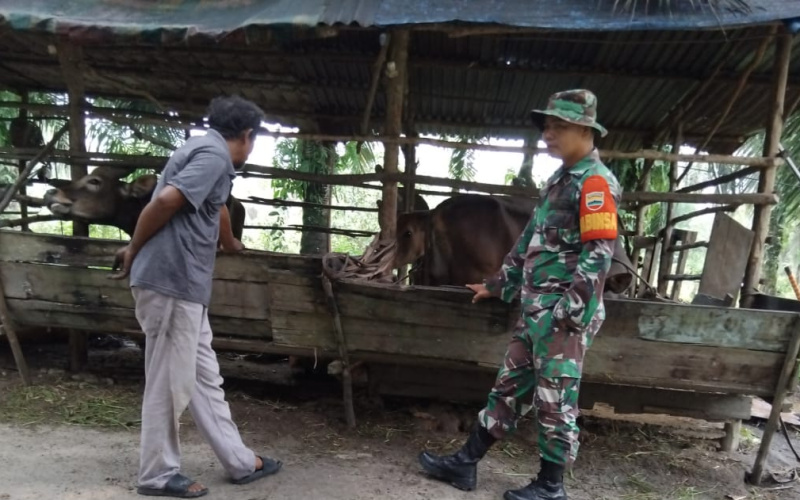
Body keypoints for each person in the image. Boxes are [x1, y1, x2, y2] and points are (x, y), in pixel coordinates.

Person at [418, 89, 621, 500]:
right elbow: (530, 241)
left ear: (584, 129)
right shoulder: (559, 181)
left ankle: (551, 487)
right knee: (508, 389)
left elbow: (599, 254)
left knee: (555, 400)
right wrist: (498, 285)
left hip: (561, 316)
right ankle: (465, 464)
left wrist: (568, 313)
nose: (547, 133)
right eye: (546, 126)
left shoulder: (595, 183)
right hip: (535, 310)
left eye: (557, 126)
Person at [110, 95, 282, 498]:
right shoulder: (215, 156)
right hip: (172, 281)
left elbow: (215, 206)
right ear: (247, 135)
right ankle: (156, 474)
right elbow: (167, 200)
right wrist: (133, 249)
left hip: (186, 286)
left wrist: (230, 242)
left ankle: (239, 461)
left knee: (204, 377)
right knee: (170, 381)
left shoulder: (202, 150)